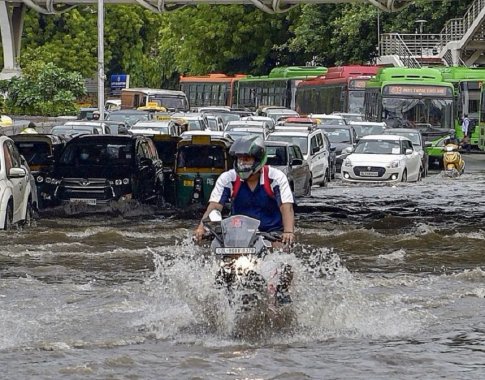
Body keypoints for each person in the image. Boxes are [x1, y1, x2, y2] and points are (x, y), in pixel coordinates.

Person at [193, 135, 295, 245]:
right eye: (239, 159)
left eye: (246, 159)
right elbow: (214, 206)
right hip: (238, 233)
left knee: (279, 250)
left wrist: (288, 231)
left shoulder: (276, 177)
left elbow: (286, 207)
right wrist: (201, 228)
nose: (242, 163)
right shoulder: (228, 178)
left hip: (271, 234)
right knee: (215, 248)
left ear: (258, 159)